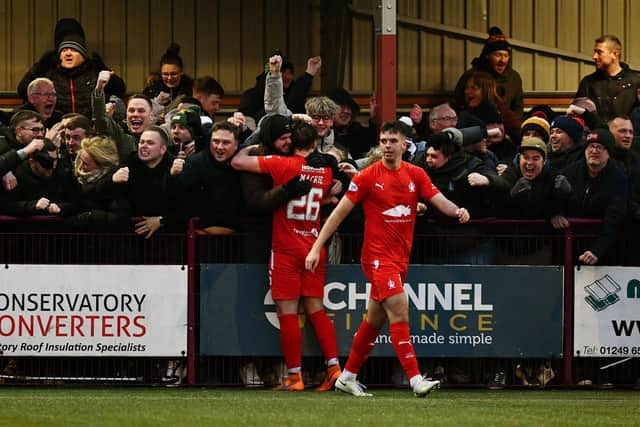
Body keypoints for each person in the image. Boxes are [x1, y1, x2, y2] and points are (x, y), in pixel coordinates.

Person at [305, 120, 470, 397]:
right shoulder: (367, 176)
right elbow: (338, 213)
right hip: (377, 258)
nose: (387, 146)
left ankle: (347, 377)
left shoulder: (415, 174)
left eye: (393, 141)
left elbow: (438, 199)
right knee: (399, 307)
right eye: (383, 141)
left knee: (374, 320)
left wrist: (458, 211)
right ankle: (416, 379)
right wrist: (315, 247)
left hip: (399, 259)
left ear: (405, 145)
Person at [232, 121, 341, 392]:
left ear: (292, 143)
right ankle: (334, 369)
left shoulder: (283, 165)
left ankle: (294, 376)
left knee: (287, 313)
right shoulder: (325, 172)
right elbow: (333, 191)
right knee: (317, 310)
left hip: (286, 248)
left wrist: (255, 145)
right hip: (314, 247)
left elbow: (238, 162)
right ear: (315, 144)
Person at [554, 128, 628, 265]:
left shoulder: (618, 180)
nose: (594, 151)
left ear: (608, 153)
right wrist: (555, 213)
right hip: (568, 247)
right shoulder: (570, 172)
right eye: (591, 147)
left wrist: (597, 250)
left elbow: (614, 219)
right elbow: (551, 196)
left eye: (600, 147)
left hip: (603, 253)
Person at [170, 121, 242, 234]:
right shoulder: (195, 163)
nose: (219, 147)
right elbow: (176, 195)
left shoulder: (244, 162)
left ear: (236, 144)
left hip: (236, 238)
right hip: (201, 237)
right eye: (215, 141)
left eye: (226, 142)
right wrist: (173, 176)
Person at [454, 27, 524, 119]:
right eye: (498, 55)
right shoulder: (472, 76)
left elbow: (518, 106)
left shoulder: (514, 77)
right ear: (487, 56)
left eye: (506, 56)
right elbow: (459, 102)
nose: (502, 60)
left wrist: (512, 123)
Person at [576, 35, 640, 121]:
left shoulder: (636, 81)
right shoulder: (588, 82)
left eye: (599, 52)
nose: (594, 57)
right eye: (595, 52)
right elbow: (578, 114)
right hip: (597, 133)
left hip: (628, 133)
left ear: (615, 54)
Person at [143, 43, 194, 108]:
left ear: (181, 72)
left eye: (173, 74)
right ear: (160, 73)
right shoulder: (152, 89)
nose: (169, 78)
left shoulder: (191, 89)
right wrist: (155, 103)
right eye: (165, 74)